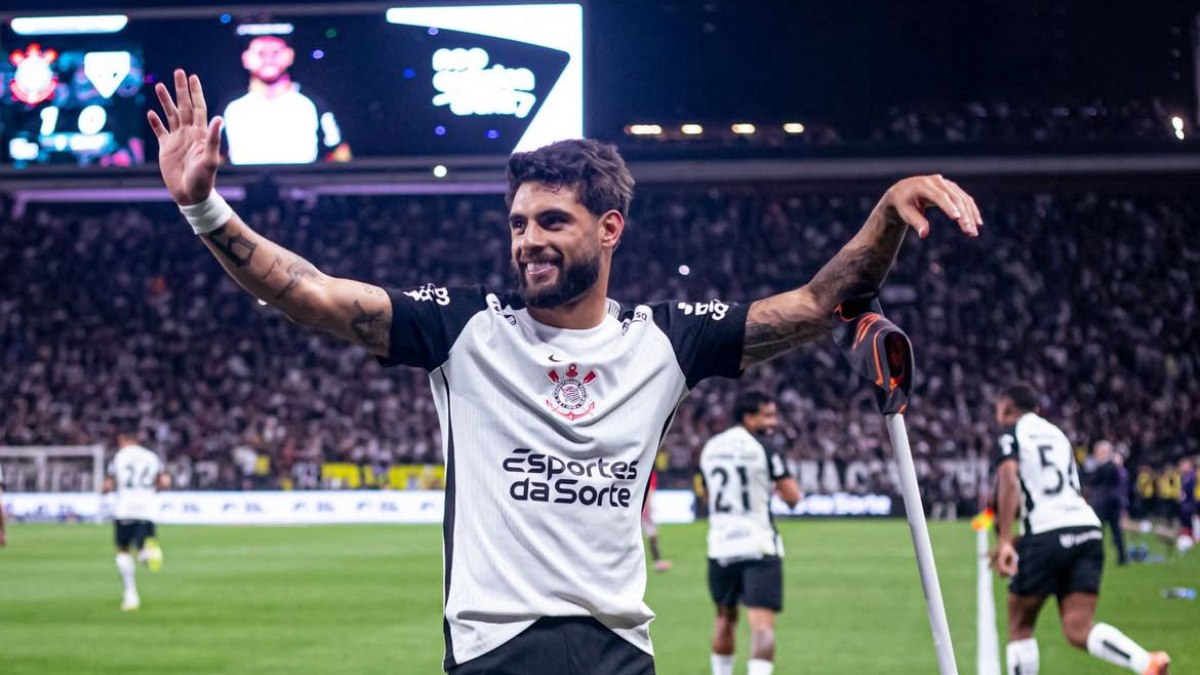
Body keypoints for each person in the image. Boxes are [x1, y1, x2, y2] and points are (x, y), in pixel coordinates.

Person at [147, 68, 980, 673]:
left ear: (610, 227)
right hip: (496, 649)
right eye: (517, 222)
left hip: (622, 651)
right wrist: (203, 206)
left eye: (552, 219)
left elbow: (814, 302)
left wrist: (887, 214)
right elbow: (310, 293)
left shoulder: (666, 343)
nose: (527, 239)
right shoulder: (463, 327)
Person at [991, 384, 1169, 675]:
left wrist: (1005, 541)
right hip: (1087, 529)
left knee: (1020, 624)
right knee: (1078, 627)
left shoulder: (1010, 434)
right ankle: (1146, 662)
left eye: (998, 411)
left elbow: (1009, 480)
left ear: (1007, 409)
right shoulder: (1058, 435)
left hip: (1046, 531)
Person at [699, 391, 801, 675]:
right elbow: (793, 496)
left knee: (724, 618)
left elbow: (706, 493)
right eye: (767, 415)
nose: (774, 422)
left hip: (720, 546)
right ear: (748, 417)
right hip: (758, 545)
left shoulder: (710, 447)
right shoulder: (765, 447)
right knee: (762, 625)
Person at [222, 35, 348, 165]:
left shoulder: (313, 104)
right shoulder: (231, 107)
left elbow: (340, 151)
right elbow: (213, 153)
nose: (268, 58)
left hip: (303, 183)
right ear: (246, 58)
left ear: (290, 55)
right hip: (243, 183)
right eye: (261, 52)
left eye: (275, 52)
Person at [102, 431, 170, 611]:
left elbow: (108, 485)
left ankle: (131, 595)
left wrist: (104, 491)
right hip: (147, 509)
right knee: (143, 544)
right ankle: (146, 554)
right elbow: (164, 482)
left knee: (123, 551)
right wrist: (151, 491)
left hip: (124, 509)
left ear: (122, 439)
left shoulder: (119, 457)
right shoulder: (151, 457)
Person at [1087, 441, 1128, 565]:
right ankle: (1122, 557)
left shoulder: (1107, 466)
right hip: (1112, 503)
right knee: (1115, 531)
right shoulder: (1112, 466)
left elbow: (1093, 480)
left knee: (1099, 531)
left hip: (1104, 504)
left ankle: (1096, 556)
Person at [642, 469, 672, 572]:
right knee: (653, 535)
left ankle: (657, 562)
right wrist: (648, 507)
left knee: (652, 536)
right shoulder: (650, 472)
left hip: (639, 507)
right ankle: (657, 563)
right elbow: (649, 490)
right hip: (645, 508)